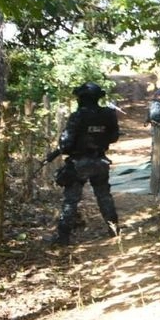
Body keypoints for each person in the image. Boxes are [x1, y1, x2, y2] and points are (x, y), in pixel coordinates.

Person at [50, 82, 120, 245]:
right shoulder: (108, 114)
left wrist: (62, 149)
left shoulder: (78, 116)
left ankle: (63, 238)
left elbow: (66, 144)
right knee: (104, 196)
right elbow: (114, 137)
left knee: (71, 200)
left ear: (81, 98)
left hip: (79, 163)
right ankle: (114, 230)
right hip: (100, 161)